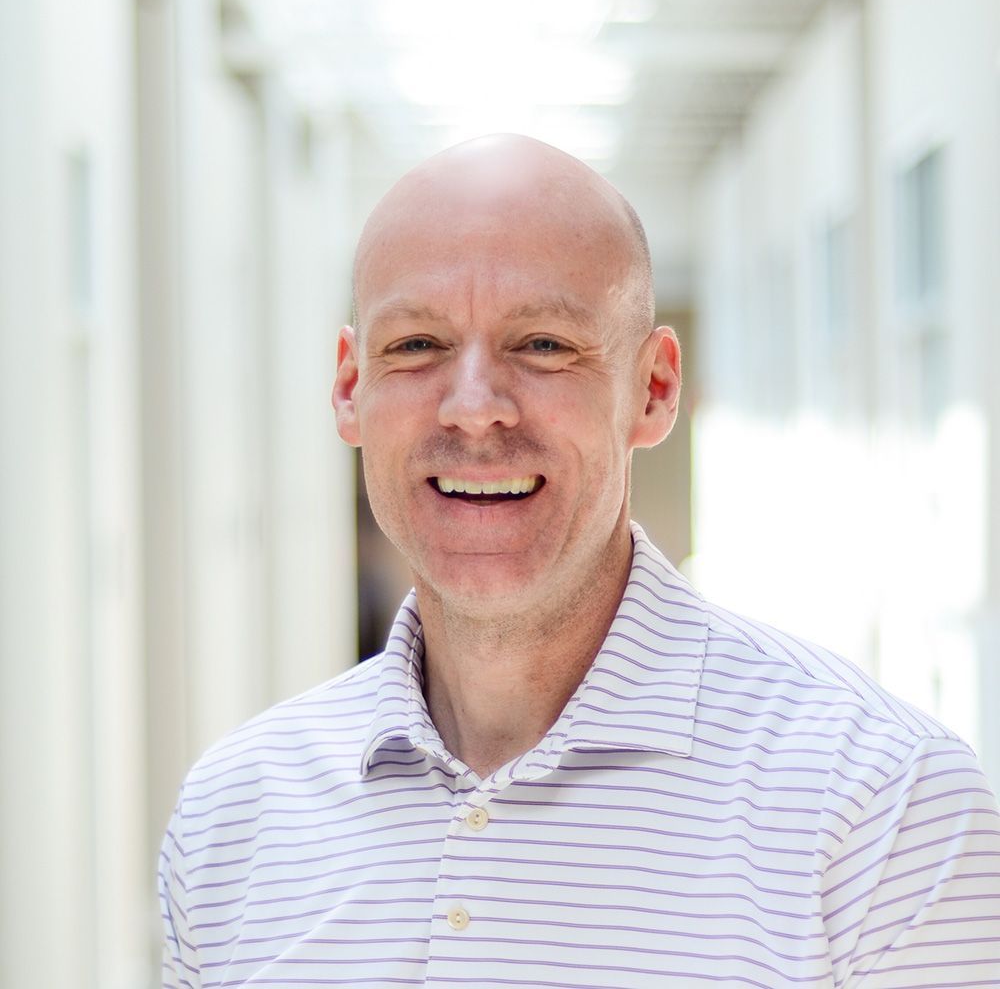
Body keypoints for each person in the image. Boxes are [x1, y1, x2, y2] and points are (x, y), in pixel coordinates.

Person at [159, 135, 1000, 988]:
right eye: (416, 345)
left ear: (653, 388)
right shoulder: (234, 815)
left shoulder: (882, 807)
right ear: (350, 388)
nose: (475, 409)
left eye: (545, 344)